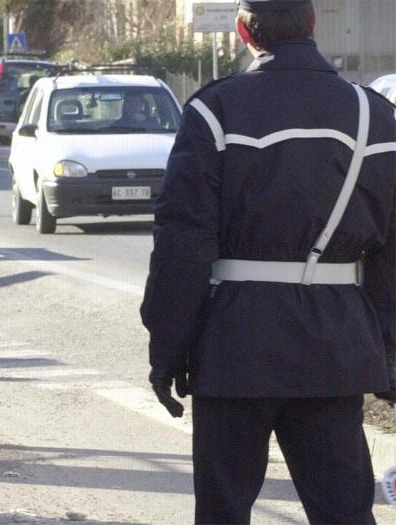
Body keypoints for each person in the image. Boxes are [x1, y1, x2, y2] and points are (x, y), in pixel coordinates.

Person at [140, 1, 395, 523]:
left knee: (224, 512)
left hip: (235, 342)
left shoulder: (216, 110)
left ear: (243, 31)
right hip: (335, 346)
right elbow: (391, 250)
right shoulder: (376, 114)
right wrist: (386, 352)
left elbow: (183, 242)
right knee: (346, 512)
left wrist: (167, 347)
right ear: (314, 25)